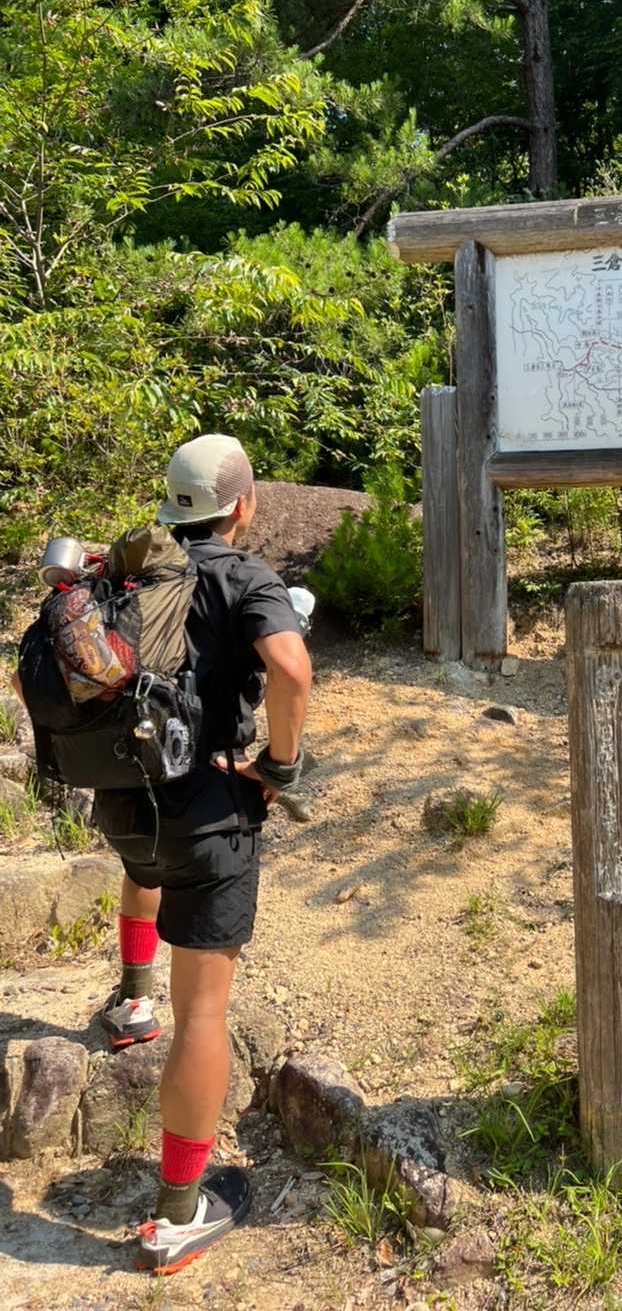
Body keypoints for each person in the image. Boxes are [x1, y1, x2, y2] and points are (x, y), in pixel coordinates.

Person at [91, 434, 312, 1274]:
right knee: (206, 1014)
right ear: (242, 505)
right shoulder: (244, 577)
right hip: (211, 813)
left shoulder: (128, 573)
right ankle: (177, 1214)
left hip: (125, 804)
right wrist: (278, 768)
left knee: (145, 868)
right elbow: (291, 671)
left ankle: (131, 1002)